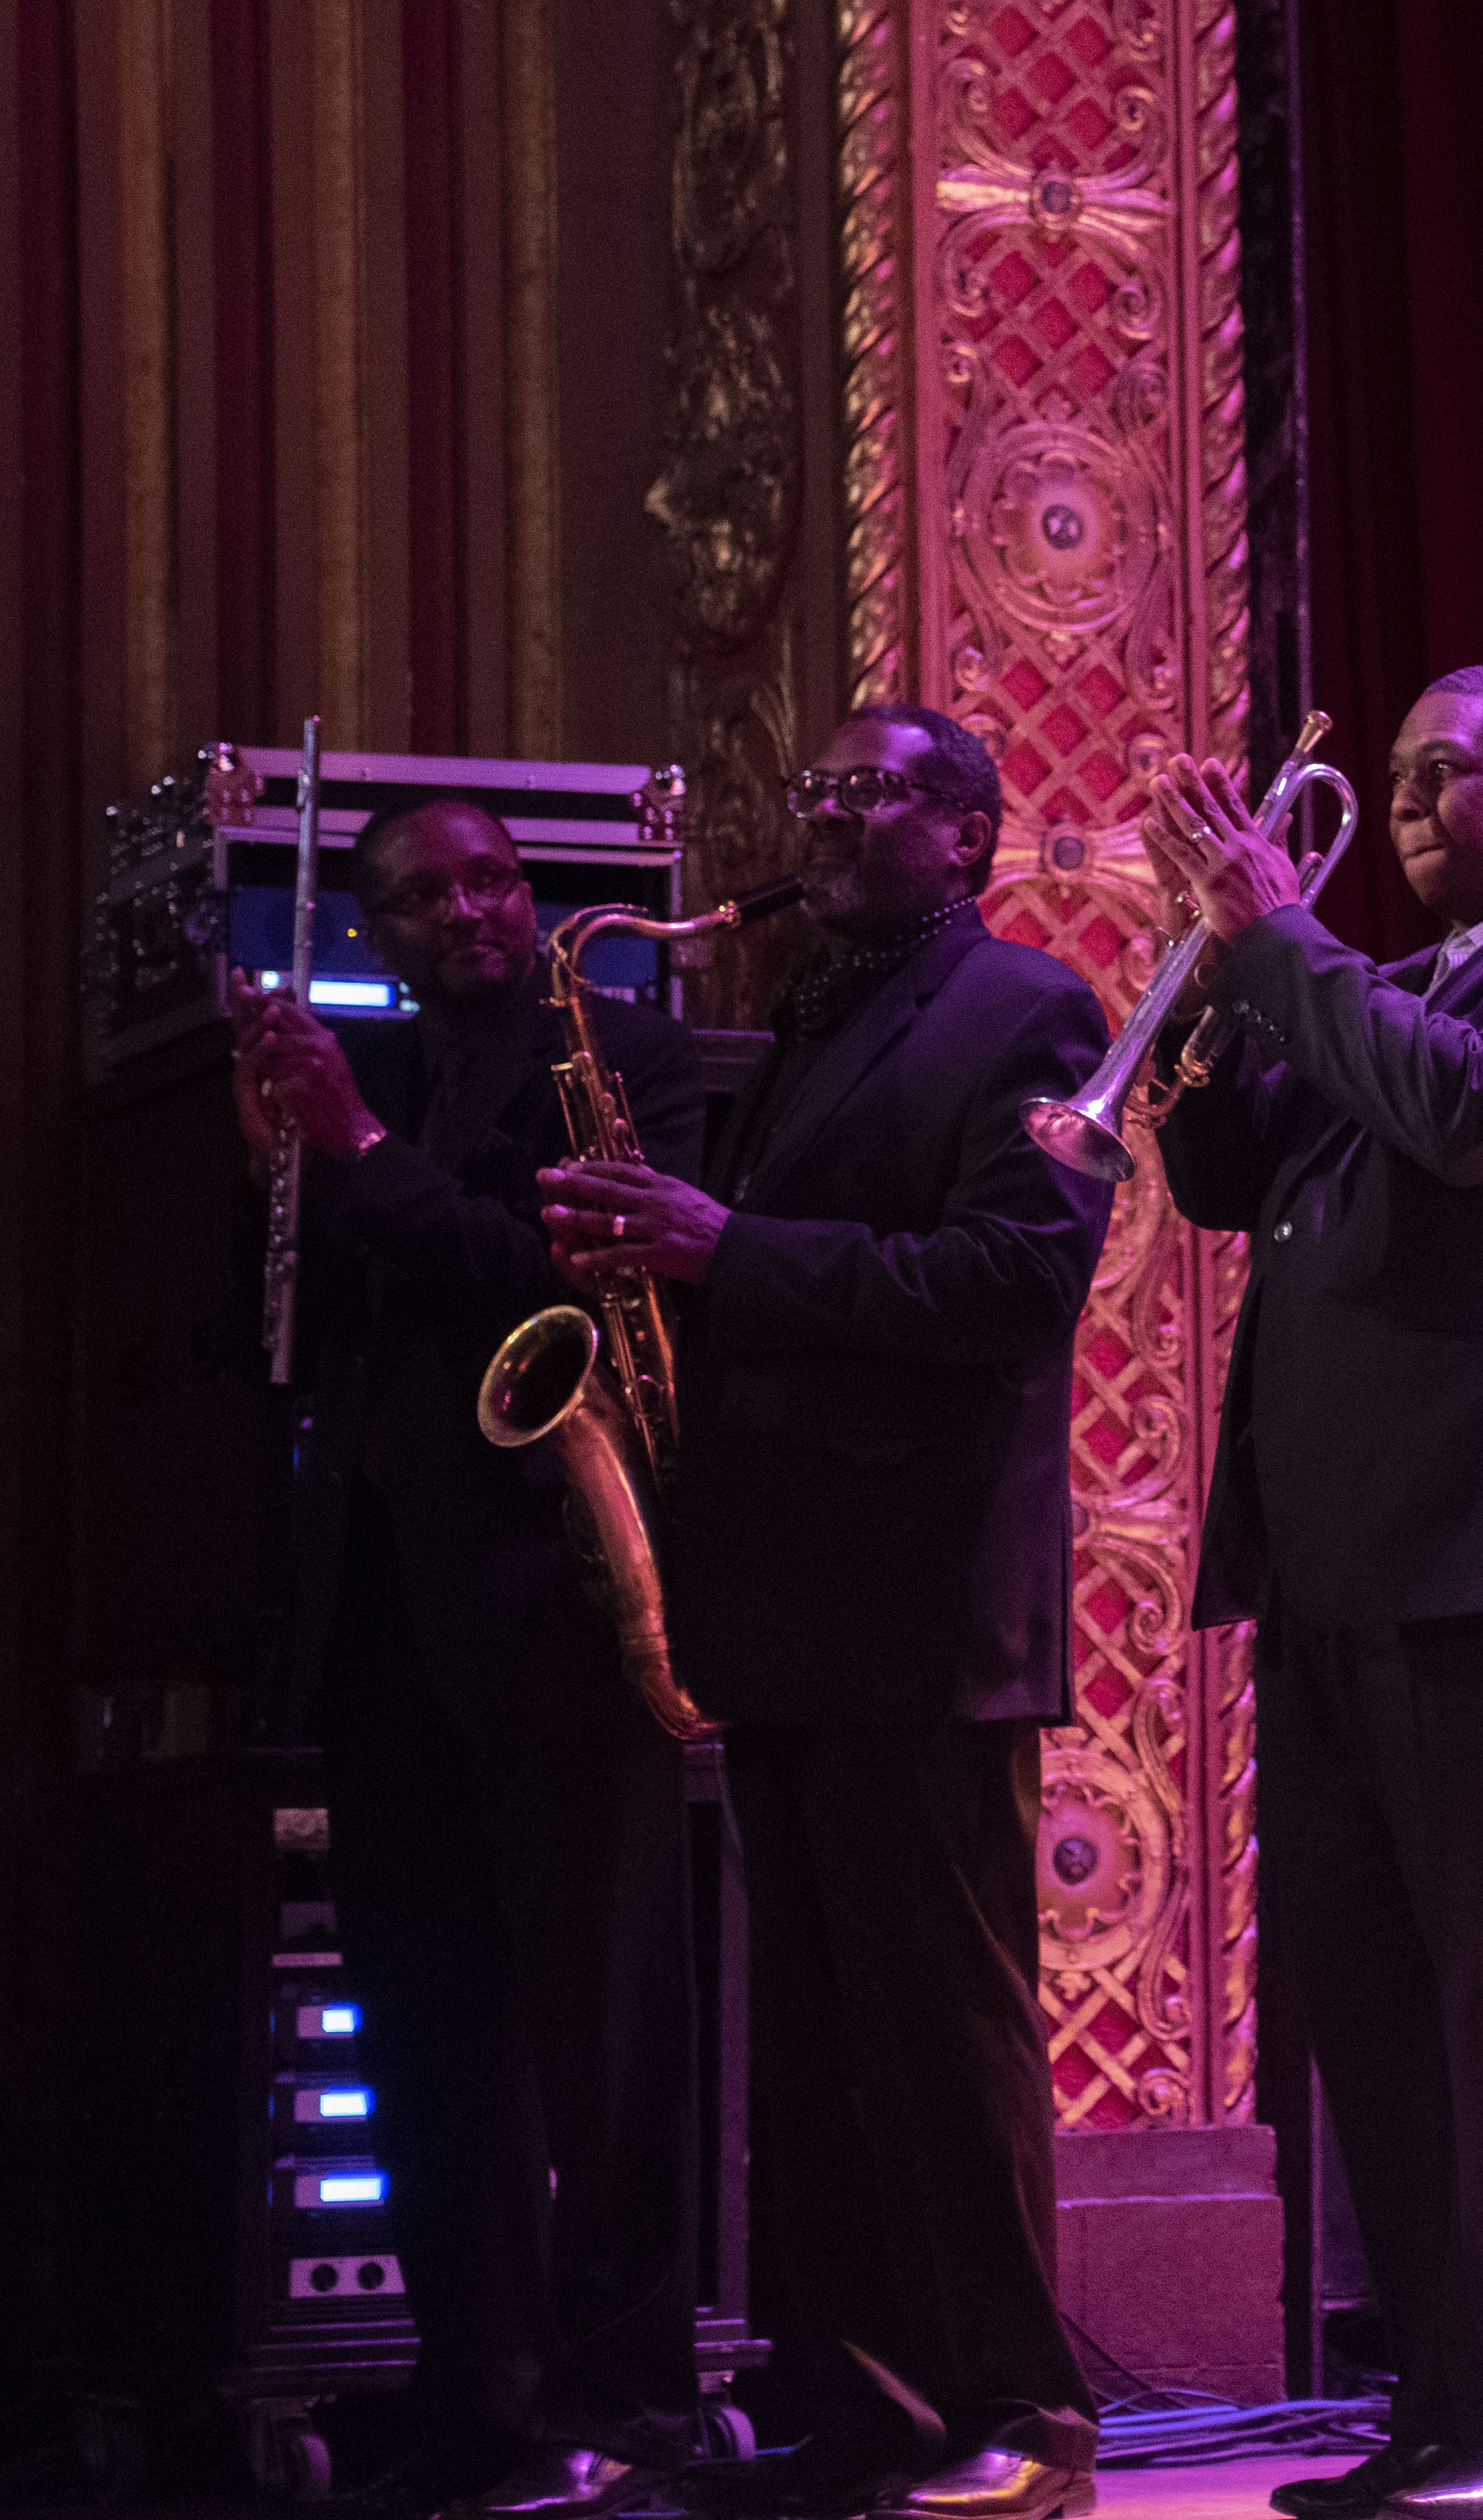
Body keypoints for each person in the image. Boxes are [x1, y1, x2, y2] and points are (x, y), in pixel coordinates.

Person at [1139, 666, 1483, 2520]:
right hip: (1339, 1551)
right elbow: (1230, 1181)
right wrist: (1209, 994)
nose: (1398, 798)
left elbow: (1469, 1122)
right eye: (1392, 771)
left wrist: (1279, 942)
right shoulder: (1390, 984)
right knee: (1374, 1993)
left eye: (1444, 771)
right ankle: (1452, 2406)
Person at [540, 707, 1112, 2520]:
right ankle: (872, 2404)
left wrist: (725, 1248)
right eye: (817, 795)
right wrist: (653, 1273)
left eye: (871, 794)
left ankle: (1034, 2416)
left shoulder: (1031, 1012)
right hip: (782, 1596)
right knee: (817, 2042)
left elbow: (1018, 1287)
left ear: (969, 831)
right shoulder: (799, 1016)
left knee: (943, 2033)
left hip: (922, 1600)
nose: (831, 821)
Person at [227, 800, 704, 2520]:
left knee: (607, 2031)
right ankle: (478, 2389)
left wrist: (352, 1150)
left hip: (563, 1608)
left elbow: (542, 1280)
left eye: (496, 879)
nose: (474, 912)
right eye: (426, 897)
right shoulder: (384, 1084)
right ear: (380, 933)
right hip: (389, 1623)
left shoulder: (620, 1052)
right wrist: (283, 1167)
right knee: (429, 2034)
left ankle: (632, 2401)